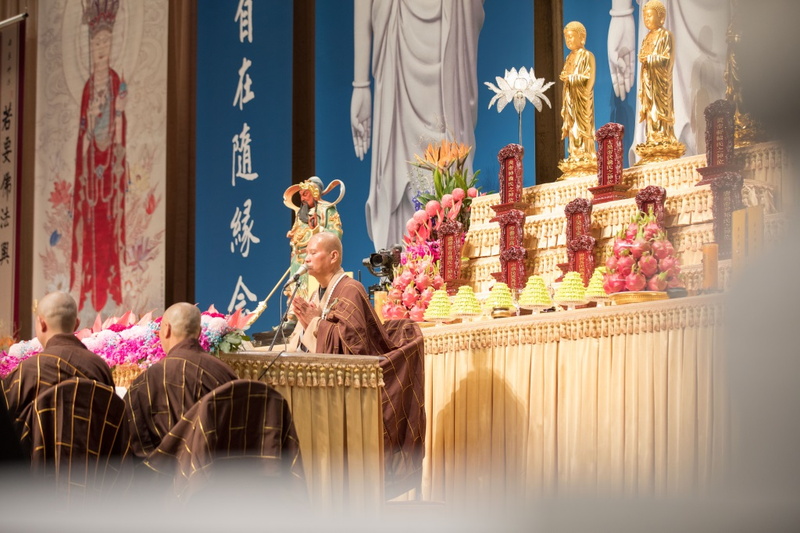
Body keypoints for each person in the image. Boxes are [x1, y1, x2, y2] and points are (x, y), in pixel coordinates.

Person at [289, 231, 426, 497]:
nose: (306, 259)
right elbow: (329, 335)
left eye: (312, 252)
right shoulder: (324, 292)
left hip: (362, 388)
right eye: (306, 253)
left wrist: (316, 323)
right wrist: (312, 325)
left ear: (333, 256)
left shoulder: (350, 289)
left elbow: (355, 345)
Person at [351, 0, 485, 251]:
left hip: (448, 30)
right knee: (398, 166)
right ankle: (403, 265)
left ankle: (448, 251)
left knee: (450, 158)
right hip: (397, 32)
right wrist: (360, 85)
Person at [608, 0, 729, 160]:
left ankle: (713, 150)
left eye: (651, 15)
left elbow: (667, 58)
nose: (647, 19)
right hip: (652, 80)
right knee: (658, 110)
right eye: (646, 15)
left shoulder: (665, 36)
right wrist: (621, 10)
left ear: (660, 17)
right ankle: (660, 142)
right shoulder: (649, 37)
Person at [123, 303, 238, 459]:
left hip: (174, 475)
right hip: (226, 469)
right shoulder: (224, 371)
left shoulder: (154, 376)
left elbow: (130, 435)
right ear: (199, 333)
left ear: (167, 329)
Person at [71, 0, 128, 313]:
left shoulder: (116, 80)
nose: (102, 47)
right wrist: (92, 121)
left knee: (111, 238)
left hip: (111, 176)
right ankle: (91, 294)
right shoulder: (87, 88)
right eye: (97, 42)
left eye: (106, 41)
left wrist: (118, 113)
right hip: (91, 178)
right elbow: (83, 136)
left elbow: (121, 132)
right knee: (92, 237)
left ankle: (112, 291)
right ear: (90, 47)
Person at [2, 291, 114, 419]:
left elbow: (7, 428)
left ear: (42, 323)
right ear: (76, 324)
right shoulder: (100, 369)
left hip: (39, 440)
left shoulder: (27, 372)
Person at [283, 176, 344, 302]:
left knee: (313, 294)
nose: (302, 198)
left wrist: (317, 230)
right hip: (298, 257)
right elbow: (297, 231)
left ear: (315, 192)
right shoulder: (301, 213)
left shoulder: (327, 209)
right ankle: (292, 316)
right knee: (295, 288)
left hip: (316, 258)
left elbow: (335, 234)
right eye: (301, 195)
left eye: (305, 194)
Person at [558, 21, 598, 179]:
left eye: (571, 36)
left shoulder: (587, 56)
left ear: (581, 37)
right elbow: (565, 77)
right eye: (566, 37)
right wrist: (567, 79)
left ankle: (585, 155)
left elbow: (590, 79)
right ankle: (574, 155)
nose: (568, 40)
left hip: (582, 100)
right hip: (571, 100)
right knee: (572, 128)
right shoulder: (569, 57)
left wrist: (572, 78)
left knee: (581, 128)